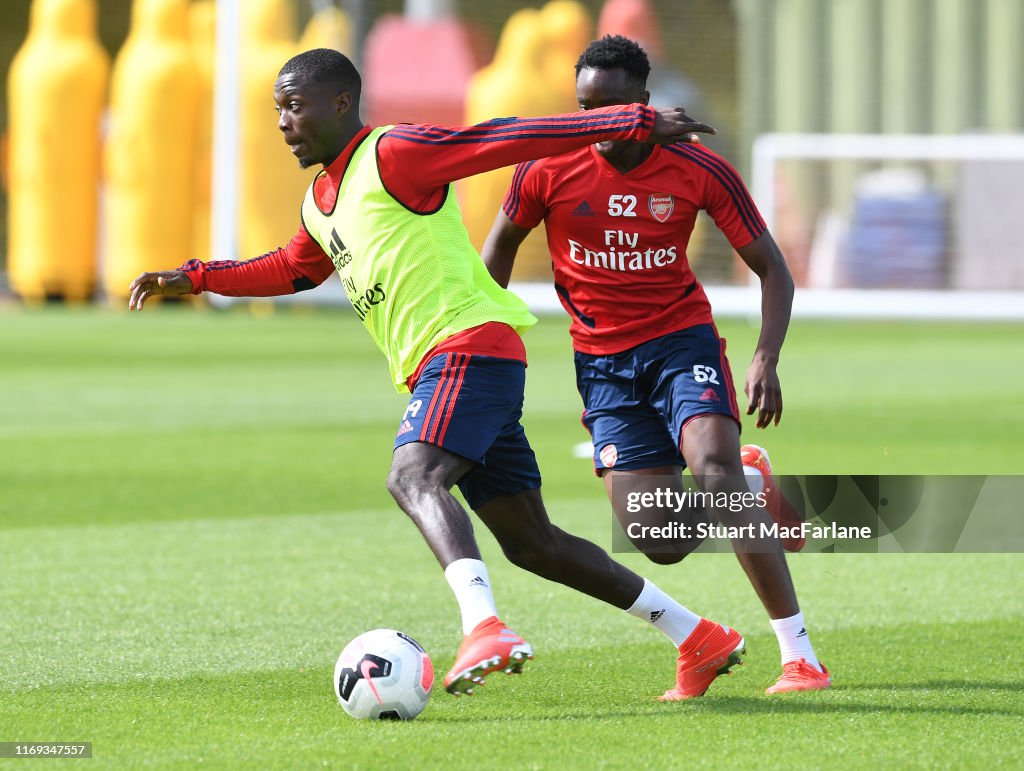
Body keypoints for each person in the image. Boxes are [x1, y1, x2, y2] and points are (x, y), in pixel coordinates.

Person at [128, 47, 747, 702]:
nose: (283, 122)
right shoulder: (321, 199)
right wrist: (196, 277)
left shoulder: (398, 153)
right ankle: (696, 635)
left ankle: (484, 627)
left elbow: (502, 138)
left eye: (294, 106)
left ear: (340, 103)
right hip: (459, 363)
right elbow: (294, 267)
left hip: (466, 348)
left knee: (412, 474)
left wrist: (619, 123)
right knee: (532, 543)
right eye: (277, 109)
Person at [481, 35, 831, 694]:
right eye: (587, 109)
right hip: (603, 363)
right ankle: (750, 484)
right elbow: (497, 252)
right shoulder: (548, 165)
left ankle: (800, 656)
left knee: (714, 466)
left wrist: (767, 354)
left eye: (613, 109)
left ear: (643, 105)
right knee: (661, 537)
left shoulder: (697, 167)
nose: (600, 124)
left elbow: (772, 269)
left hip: (681, 343)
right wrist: (484, 336)